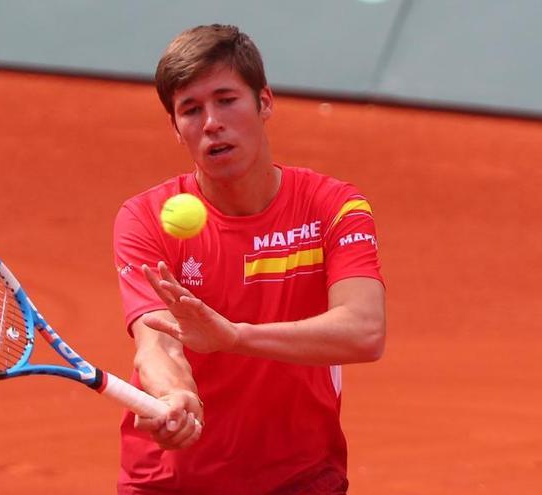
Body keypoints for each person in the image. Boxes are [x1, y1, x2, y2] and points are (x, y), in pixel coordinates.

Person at [112, 24, 386, 494]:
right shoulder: (144, 219)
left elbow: (365, 330)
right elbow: (156, 343)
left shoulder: (332, 207)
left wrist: (234, 337)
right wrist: (175, 395)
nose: (211, 123)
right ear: (176, 128)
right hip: (172, 481)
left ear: (265, 102)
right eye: (191, 110)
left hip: (297, 477)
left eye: (226, 100)